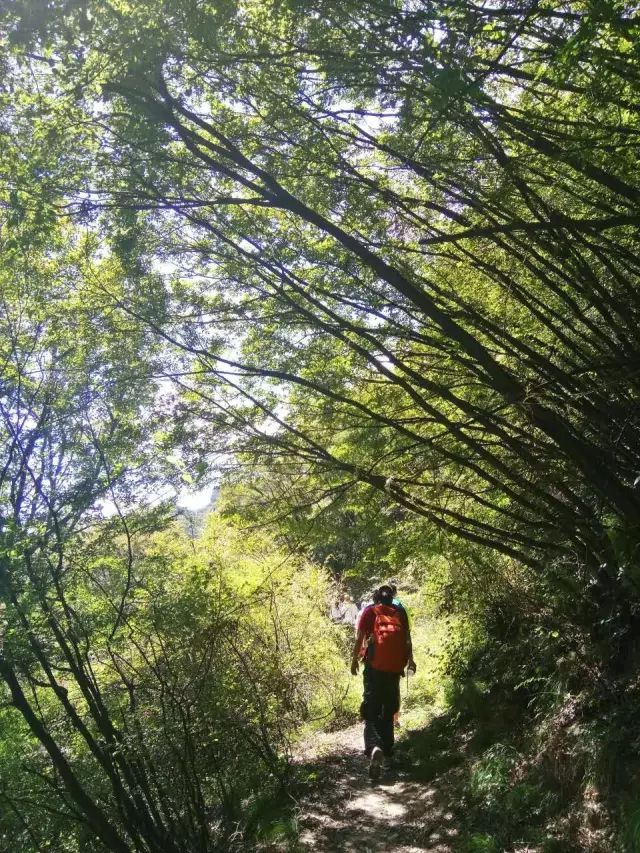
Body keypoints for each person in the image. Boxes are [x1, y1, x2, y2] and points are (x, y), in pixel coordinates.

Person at [350, 584, 416, 779]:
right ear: (392, 597)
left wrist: (354, 660)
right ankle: (386, 752)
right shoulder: (400, 613)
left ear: (375, 597)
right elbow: (407, 638)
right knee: (389, 709)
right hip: (395, 669)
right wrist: (410, 661)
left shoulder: (370, 612)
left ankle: (374, 747)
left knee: (371, 709)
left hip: (374, 669)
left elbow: (360, 638)